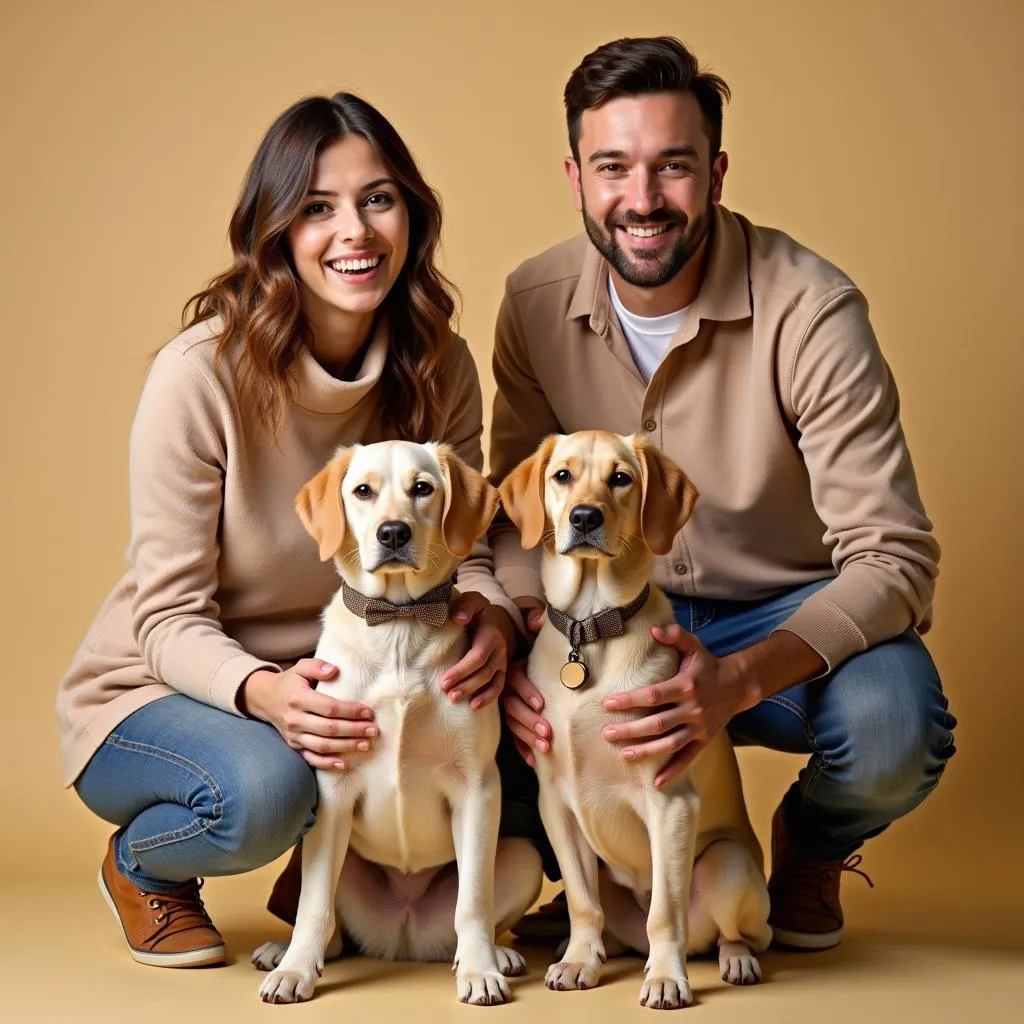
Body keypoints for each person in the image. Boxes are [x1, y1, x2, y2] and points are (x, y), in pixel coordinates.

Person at [489, 36, 957, 952]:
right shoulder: (533, 303)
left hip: (778, 619)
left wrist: (739, 677)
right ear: (577, 177)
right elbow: (512, 524)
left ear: (717, 173)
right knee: (460, 675)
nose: (644, 199)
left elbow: (896, 557)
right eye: (614, 168)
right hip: (596, 621)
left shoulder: (812, 309)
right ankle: (584, 880)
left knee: (895, 725)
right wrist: (516, 629)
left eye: (675, 167)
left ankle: (811, 847)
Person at [56, 92, 522, 969]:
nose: (356, 231)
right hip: (168, 686)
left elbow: (473, 546)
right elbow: (165, 621)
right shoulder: (198, 376)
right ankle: (139, 867)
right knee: (270, 790)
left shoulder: (440, 363)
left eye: (378, 199)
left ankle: (339, 881)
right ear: (277, 231)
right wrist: (268, 696)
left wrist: (495, 621)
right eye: (318, 207)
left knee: (523, 718)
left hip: (365, 668)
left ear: (411, 216)